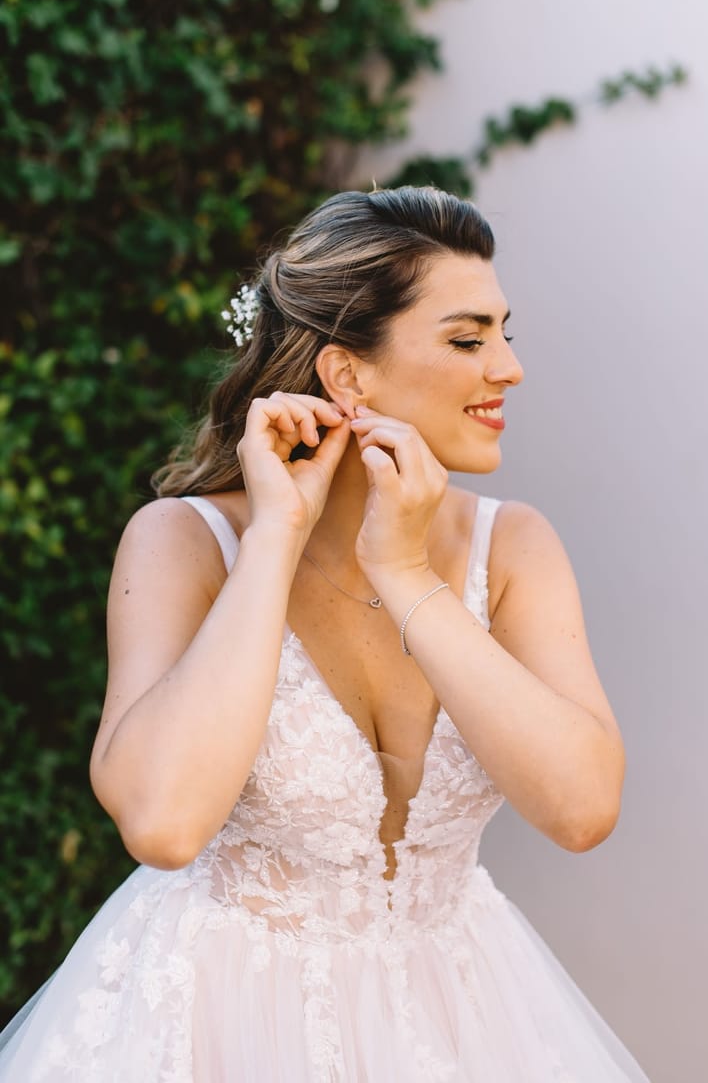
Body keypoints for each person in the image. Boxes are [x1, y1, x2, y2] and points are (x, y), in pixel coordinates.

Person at [0, 186, 650, 1081]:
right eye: (469, 339)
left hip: (460, 1014)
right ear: (348, 375)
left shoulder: (515, 549)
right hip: (221, 1025)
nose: (508, 367)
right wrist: (275, 536)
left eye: (505, 332)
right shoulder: (185, 544)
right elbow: (164, 822)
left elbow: (581, 809)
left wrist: (407, 573)